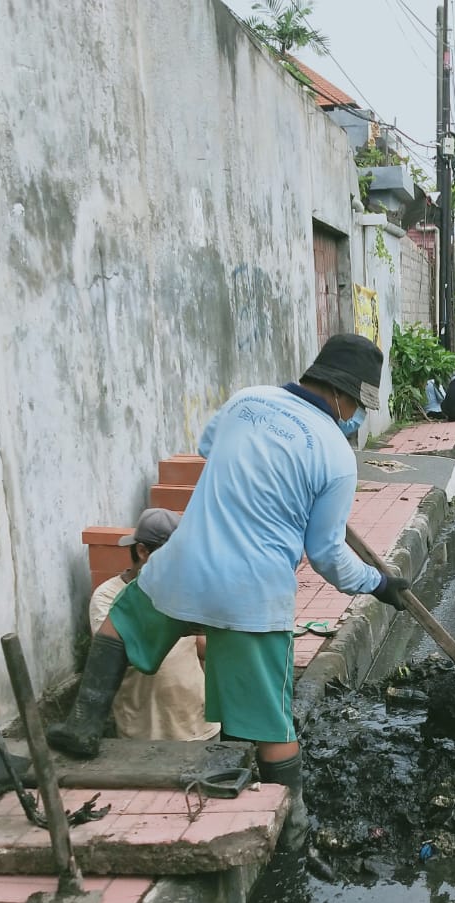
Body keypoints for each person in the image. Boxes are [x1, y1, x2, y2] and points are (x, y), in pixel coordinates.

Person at [46, 333, 409, 808]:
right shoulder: (337, 457)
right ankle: (289, 830)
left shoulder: (247, 400)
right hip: (252, 595)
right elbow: (328, 555)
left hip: (184, 566)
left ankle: (83, 726)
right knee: (270, 723)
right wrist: (379, 582)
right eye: (358, 404)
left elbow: (207, 446)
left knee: (120, 626)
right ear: (343, 395)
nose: (356, 416)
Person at [87, 508, 220, 743]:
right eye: (175, 555)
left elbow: (200, 647)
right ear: (142, 551)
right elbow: (115, 657)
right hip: (143, 732)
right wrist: (176, 624)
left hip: (198, 725)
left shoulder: (185, 587)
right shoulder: (109, 597)